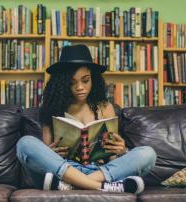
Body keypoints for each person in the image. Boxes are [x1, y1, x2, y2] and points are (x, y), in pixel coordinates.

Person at [16, 44, 156, 194]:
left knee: (148, 153)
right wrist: (49, 152)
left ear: (93, 79)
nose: (79, 87)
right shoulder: (52, 109)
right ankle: (103, 187)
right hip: (64, 169)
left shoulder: (105, 107)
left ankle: (73, 185)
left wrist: (122, 151)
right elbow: (47, 157)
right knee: (24, 144)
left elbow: (112, 158)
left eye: (85, 80)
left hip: (100, 171)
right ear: (63, 84)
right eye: (72, 82)